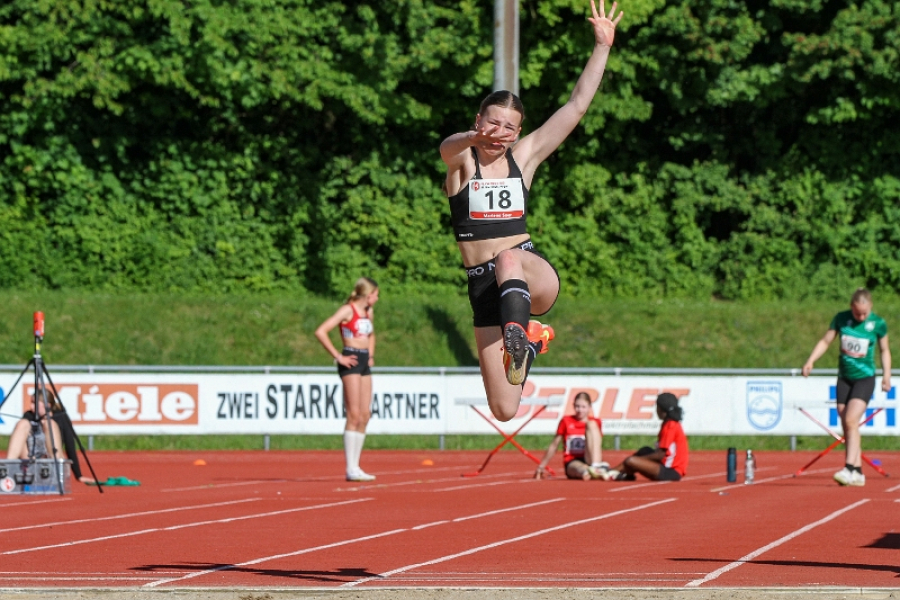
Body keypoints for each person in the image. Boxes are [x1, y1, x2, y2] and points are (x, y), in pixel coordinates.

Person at [439, 0, 623, 422]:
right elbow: (445, 150)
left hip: (527, 270)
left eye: (508, 126)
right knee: (504, 409)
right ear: (478, 121)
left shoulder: (524, 158)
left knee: (507, 257)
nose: (498, 133)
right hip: (483, 288)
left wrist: (602, 48)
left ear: (517, 132)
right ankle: (531, 340)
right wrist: (470, 137)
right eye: (491, 123)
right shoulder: (464, 164)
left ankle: (520, 331)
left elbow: (575, 107)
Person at [802, 288, 891, 487]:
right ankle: (859, 472)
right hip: (844, 378)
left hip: (865, 378)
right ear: (851, 307)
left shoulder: (878, 324)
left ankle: (849, 468)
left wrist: (886, 375)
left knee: (851, 420)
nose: (860, 317)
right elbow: (826, 341)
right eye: (857, 313)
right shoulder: (841, 319)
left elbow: (885, 350)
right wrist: (811, 361)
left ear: (871, 308)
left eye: (864, 313)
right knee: (847, 424)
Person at [315, 277, 380, 482]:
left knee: (365, 414)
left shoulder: (368, 312)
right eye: (376, 294)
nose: (377, 298)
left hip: (363, 361)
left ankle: (357, 465)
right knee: (353, 414)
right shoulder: (348, 310)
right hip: (349, 359)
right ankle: (350, 467)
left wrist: (370, 354)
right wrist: (338, 356)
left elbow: (371, 335)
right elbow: (321, 331)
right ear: (368, 294)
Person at [6, 390, 96, 484]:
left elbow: (70, 445)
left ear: (47, 405)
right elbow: (20, 438)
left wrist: (79, 475)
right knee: (22, 423)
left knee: (49, 424)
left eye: (35, 403)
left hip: (51, 458)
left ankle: (56, 471)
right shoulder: (28, 415)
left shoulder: (61, 417)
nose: (31, 407)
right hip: (32, 459)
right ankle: (6, 470)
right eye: (31, 403)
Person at [603, 393, 688, 481]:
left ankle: (613, 472)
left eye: (657, 407)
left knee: (630, 461)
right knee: (644, 450)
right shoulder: (668, 423)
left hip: (671, 471)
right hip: (666, 466)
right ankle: (616, 471)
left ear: (661, 409)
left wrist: (638, 460)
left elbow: (660, 455)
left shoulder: (670, 426)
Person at [534, 392, 607, 480]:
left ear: (589, 407)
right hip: (573, 461)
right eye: (577, 406)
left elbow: (597, 444)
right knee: (584, 472)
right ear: (573, 406)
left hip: (590, 458)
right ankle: (592, 470)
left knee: (591, 424)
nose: (580, 410)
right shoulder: (566, 421)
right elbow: (554, 445)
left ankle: (596, 466)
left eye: (583, 407)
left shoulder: (596, 422)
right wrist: (541, 466)